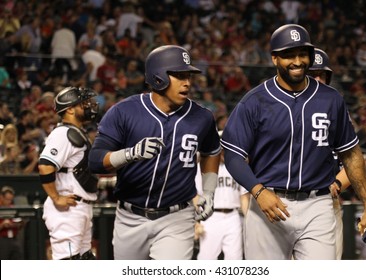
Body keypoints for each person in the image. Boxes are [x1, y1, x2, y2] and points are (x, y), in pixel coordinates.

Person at [221, 24, 366, 260]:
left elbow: (351, 154)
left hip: (318, 204)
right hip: (269, 203)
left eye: (302, 54)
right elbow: (232, 155)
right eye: (288, 55)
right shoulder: (254, 101)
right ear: (274, 58)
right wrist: (257, 191)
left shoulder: (331, 99)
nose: (297, 61)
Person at [88, 45, 221, 260]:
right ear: (158, 77)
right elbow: (95, 161)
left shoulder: (202, 117)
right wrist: (129, 154)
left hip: (177, 217)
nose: (187, 82)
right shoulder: (124, 111)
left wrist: (209, 191)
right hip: (130, 217)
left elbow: (212, 151)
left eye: (188, 76)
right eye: (179, 75)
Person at [38, 87, 99, 260]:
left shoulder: (76, 132)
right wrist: (56, 198)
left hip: (80, 207)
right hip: (68, 208)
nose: (89, 106)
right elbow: (45, 165)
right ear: (70, 109)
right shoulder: (63, 133)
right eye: (83, 103)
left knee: (85, 259)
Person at [307, 48, 351, 260]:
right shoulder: (280, 108)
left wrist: (338, 184)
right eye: (312, 73)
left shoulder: (337, 110)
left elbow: (353, 162)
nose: (318, 79)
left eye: (321, 75)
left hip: (326, 202)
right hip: (286, 202)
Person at [195, 131, 246, 260]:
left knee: (235, 259)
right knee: (207, 258)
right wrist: (196, 221)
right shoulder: (202, 165)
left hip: (233, 217)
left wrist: (249, 221)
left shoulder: (239, 167)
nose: (223, 150)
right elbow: (195, 195)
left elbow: (244, 197)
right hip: (211, 217)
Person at [0, 186, 24, 260]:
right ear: (1, 197)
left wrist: (19, 224)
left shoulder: (14, 208)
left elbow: (20, 223)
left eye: (11, 199)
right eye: (7, 199)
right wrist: (2, 225)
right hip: (2, 239)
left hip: (15, 238)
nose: (9, 202)